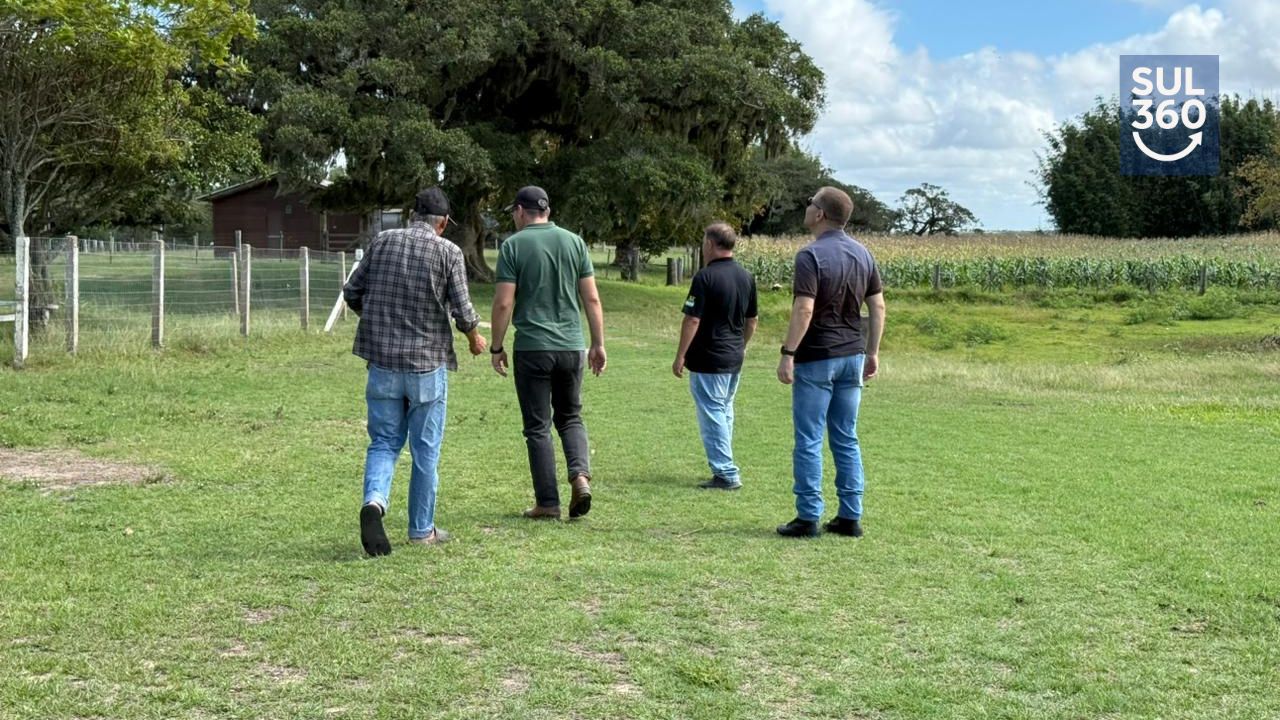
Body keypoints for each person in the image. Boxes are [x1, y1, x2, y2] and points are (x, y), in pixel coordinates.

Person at [343, 186, 487, 556]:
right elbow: (463, 310)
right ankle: (421, 529)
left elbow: (352, 291)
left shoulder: (382, 241)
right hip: (426, 366)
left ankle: (374, 503)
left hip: (382, 363)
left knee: (384, 442)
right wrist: (474, 338)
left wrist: (375, 321)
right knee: (425, 450)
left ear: (412, 215)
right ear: (442, 223)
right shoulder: (448, 252)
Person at [489, 186, 606, 521]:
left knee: (538, 426)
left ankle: (548, 503)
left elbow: (503, 302)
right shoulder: (574, 242)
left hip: (533, 348)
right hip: (571, 346)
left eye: (513, 212)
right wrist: (597, 343)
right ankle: (580, 476)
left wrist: (496, 347)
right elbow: (592, 299)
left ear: (521, 211)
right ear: (548, 211)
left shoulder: (513, 246)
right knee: (570, 416)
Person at [775, 186, 885, 538]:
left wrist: (788, 352)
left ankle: (808, 515)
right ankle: (850, 515)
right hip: (853, 355)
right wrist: (872, 351)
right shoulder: (864, 254)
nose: (807, 207)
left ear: (820, 214)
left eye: (810, 203)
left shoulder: (810, 256)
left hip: (817, 357)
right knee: (846, 436)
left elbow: (804, 308)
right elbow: (878, 306)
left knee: (808, 437)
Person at [672, 222, 758, 490]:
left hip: (709, 358)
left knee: (712, 413)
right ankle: (725, 464)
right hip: (733, 356)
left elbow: (692, 320)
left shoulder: (704, 277)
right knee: (724, 411)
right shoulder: (746, 276)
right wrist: (741, 346)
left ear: (710, 244)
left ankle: (725, 471)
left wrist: (680, 355)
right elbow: (752, 320)